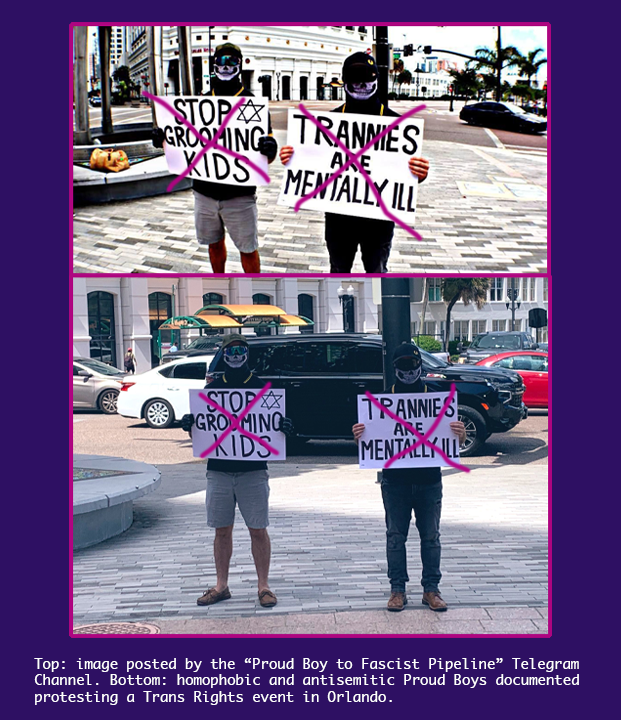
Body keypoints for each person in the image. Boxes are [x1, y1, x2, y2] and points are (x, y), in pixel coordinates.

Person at [280, 52, 430, 273]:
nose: (361, 83)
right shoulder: (325, 124)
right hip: (339, 220)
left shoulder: (396, 124)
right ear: (344, 81)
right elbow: (311, 166)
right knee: (338, 270)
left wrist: (419, 173)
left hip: (378, 221)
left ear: (376, 80)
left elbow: (401, 177)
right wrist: (293, 159)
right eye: (354, 77)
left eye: (367, 76)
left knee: (377, 272)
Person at [181, 334, 294, 608]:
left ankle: (264, 586)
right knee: (221, 530)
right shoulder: (212, 390)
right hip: (219, 470)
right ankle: (221, 586)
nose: (235, 355)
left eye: (240, 350)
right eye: (230, 351)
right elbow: (203, 424)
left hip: (253, 470)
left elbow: (274, 423)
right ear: (223, 354)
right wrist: (189, 423)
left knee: (258, 529)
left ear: (246, 353)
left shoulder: (262, 389)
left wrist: (284, 426)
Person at [352, 343, 466, 612]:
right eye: (403, 365)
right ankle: (397, 590)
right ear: (395, 368)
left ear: (420, 365)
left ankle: (431, 589)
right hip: (395, 481)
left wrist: (459, 434)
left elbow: (452, 439)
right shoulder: (379, 401)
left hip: (429, 479)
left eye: (412, 364)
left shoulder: (438, 398)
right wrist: (359, 435)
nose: (408, 370)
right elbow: (372, 441)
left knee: (431, 536)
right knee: (395, 536)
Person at [153, 43, 278, 274]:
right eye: (221, 61)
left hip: (239, 195)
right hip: (204, 192)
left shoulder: (254, 104)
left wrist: (270, 150)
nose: (226, 66)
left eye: (232, 61)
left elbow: (266, 159)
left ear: (240, 65)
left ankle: (255, 291)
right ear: (214, 65)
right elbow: (184, 141)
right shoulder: (198, 102)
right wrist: (164, 139)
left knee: (248, 249)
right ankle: (218, 284)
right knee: (214, 244)